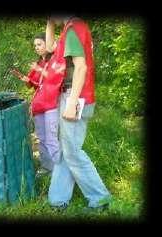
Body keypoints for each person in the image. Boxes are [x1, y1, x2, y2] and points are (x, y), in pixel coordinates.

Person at [45, 16, 111, 210]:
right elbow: (50, 48)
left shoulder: (74, 28)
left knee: (72, 151)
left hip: (75, 97)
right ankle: (58, 199)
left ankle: (100, 198)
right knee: (66, 149)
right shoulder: (71, 28)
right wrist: (50, 23)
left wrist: (72, 103)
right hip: (73, 95)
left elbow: (80, 67)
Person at [11, 33, 64, 175]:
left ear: (49, 44)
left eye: (39, 44)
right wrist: (26, 79)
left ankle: (60, 171)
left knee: (52, 138)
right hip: (39, 105)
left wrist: (40, 70)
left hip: (52, 104)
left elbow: (56, 79)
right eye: (35, 45)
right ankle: (47, 167)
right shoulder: (39, 63)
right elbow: (36, 84)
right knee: (41, 138)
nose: (36, 48)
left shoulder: (56, 61)